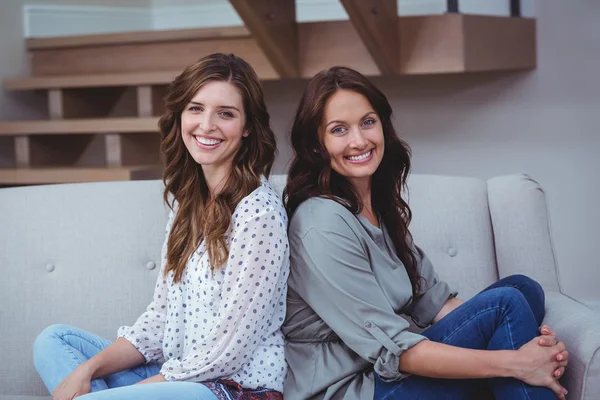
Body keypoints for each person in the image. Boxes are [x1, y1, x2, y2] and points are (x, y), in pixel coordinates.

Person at [281, 66, 569, 400]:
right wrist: (515, 362)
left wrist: (536, 354)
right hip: (356, 389)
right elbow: (397, 351)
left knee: (523, 289)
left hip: (388, 374)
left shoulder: (377, 208)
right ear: (318, 144)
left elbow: (434, 302)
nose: (358, 140)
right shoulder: (322, 224)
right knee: (505, 305)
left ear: (383, 126)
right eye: (339, 129)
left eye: (367, 122)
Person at [33, 53, 290, 400]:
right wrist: (87, 370)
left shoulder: (259, 213)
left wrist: (139, 391)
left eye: (225, 113)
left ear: (247, 127)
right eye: (195, 108)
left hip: (233, 387)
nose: (207, 124)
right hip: (177, 374)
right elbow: (160, 319)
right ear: (181, 115)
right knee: (53, 341)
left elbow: (229, 351)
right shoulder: (189, 203)